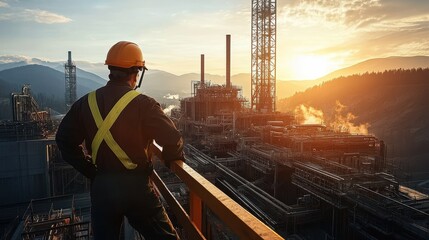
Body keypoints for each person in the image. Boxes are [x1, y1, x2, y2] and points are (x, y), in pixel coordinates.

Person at [56, 41, 184, 240]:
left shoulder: (85, 103)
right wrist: (171, 158)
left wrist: (89, 170)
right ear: (136, 72)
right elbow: (172, 138)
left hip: (103, 187)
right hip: (137, 189)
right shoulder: (144, 104)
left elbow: (64, 140)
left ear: (111, 70)